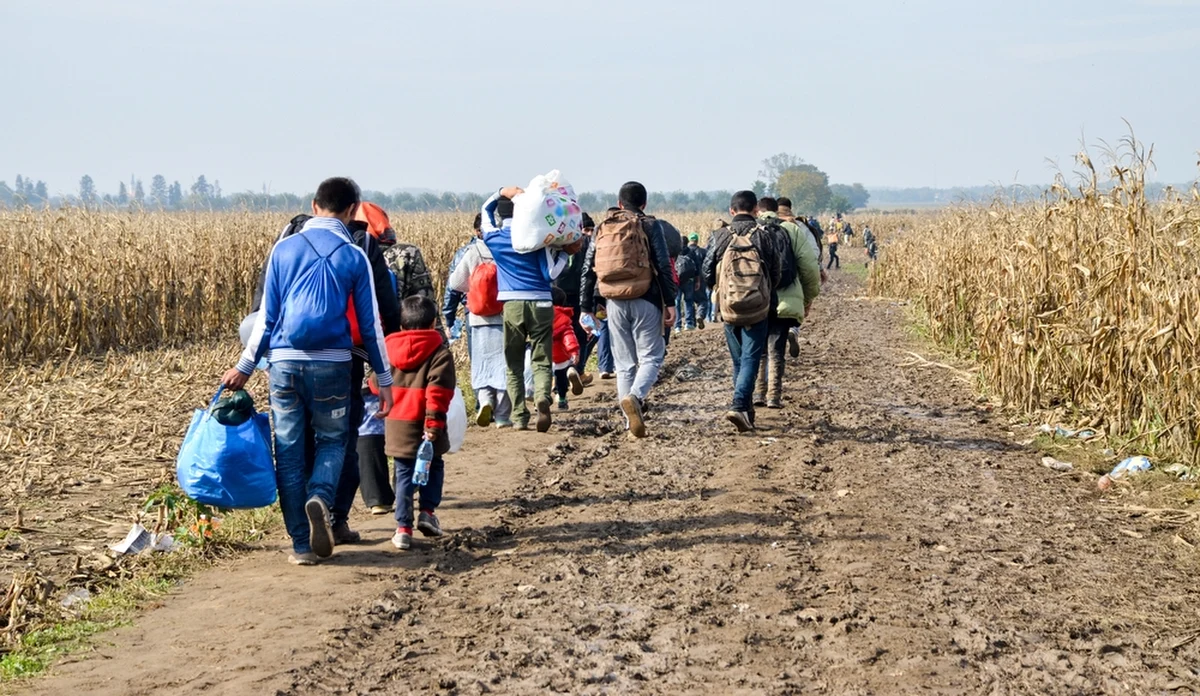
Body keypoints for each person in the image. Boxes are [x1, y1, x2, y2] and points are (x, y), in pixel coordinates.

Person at [224, 177, 394, 566]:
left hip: (284, 364)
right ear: (353, 211)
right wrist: (384, 380)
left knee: (288, 453)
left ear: (315, 205)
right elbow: (371, 327)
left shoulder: (283, 249)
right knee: (334, 441)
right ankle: (320, 496)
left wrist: (245, 367)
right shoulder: (355, 256)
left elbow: (266, 317)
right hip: (333, 364)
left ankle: (301, 545)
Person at [580, 182, 677, 438]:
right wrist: (670, 303)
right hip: (646, 297)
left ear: (619, 203)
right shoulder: (650, 225)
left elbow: (587, 269)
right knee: (652, 357)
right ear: (644, 204)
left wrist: (586, 307)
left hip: (613, 301)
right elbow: (664, 267)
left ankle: (628, 422)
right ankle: (635, 397)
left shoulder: (602, 227)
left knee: (624, 364)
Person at [482, 186, 567, 432]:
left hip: (512, 304)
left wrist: (499, 192)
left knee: (514, 362)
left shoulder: (495, 239)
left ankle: (519, 416)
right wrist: (564, 256)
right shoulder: (535, 238)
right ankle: (542, 396)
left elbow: (484, 210)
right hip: (542, 301)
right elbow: (550, 274)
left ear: (501, 216)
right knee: (542, 357)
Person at [703, 190, 781, 432]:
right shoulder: (764, 236)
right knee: (750, 359)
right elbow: (777, 271)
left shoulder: (720, 236)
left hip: (728, 308)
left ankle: (746, 411)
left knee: (739, 360)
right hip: (758, 307)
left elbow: (706, 271)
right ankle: (739, 406)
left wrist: (720, 290)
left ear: (731, 210)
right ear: (756, 210)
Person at [383, 295, 456, 551]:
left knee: (403, 474)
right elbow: (438, 392)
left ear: (401, 325)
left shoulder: (388, 350)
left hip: (397, 424)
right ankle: (427, 512)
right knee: (433, 466)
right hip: (428, 426)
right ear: (434, 322)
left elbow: (375, 383)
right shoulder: (440, 353)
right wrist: (434, 424)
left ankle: (403, 528)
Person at [447, 211, 513, 428]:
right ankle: (503, 416)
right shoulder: (505, 249)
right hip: (504, 316)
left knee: (482, 363)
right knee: (504, 365)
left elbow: (455, 283)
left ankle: (484, 401)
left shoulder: (472, 251)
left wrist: (474, 290)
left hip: (477, 318)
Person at [755, 197, 821, 409]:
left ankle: (758, 392)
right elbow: (809, 266)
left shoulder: (752, 229)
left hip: (756, 298)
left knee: (759, 349)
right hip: (786, 299)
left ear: (759, 210)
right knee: (776, 350)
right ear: (777, 211)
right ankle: (774, 396)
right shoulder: (792, 231)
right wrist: (808, 297)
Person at [554, 213, 596, 384]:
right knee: (584, 334)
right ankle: (578, 369)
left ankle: (558, 376)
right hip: (579, 296)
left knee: (558, 334)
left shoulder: (555, 242)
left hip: (557, 296)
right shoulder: (585, 243)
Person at [442, 214, 481, 345]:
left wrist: (449, 320)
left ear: (476, 231)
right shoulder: (504, 249)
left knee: (476, 354)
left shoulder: (464, 253)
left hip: (473, 309)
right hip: (501, 310)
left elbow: (453, 287)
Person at [551, 287, 583, 409]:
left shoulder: (540, 315)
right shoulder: (564, 318)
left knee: (543, 377)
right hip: (561, 356)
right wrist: (574, 352)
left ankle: (540, 399)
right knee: (561, 379)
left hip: (544, 353)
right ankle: (562, 399)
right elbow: (568, 336)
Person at [674, 233, 705, 331]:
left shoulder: (675, 252)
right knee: (689, 301)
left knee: (677, 302)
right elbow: (697, 268)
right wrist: (698, 281)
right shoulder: (691, 252)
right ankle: (689, 323)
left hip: (677, 281)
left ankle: (677, 326)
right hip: (689, 280)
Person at [705, 218, 729, 323]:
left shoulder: (716, 236)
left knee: (716, 295)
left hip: (719, 275)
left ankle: (712, 316)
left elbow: (708, 263)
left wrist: (710, 283)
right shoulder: (733, 236)